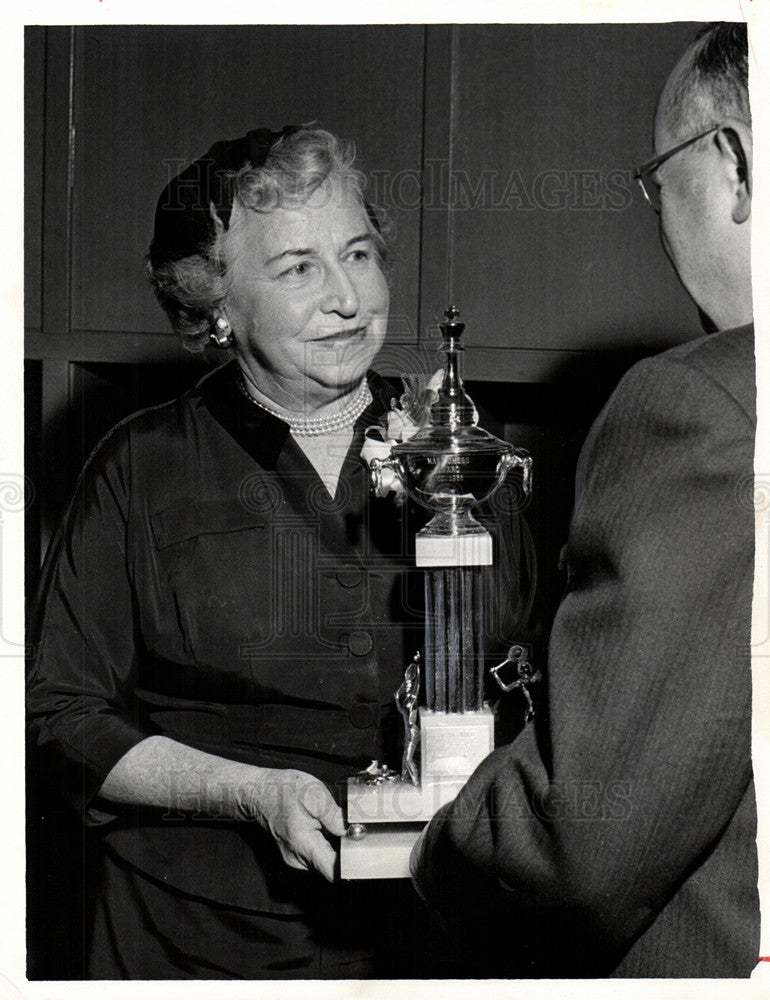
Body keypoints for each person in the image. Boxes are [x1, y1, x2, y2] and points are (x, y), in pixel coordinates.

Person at [26, 124, 533, 979]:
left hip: (427, 936)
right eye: (299, 268)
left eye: (359, 254)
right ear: (217, 302)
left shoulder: (463, 457)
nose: (348, 298)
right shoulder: (139, 468)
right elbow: (58, 718)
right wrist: (249, 793)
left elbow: (530, 668)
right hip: (196, 940)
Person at [411, 22, 758, 978]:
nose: (655, 214)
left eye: (660, 176)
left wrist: (436, 851)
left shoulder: (701, 401)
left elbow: (583, 846)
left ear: (731, 164)